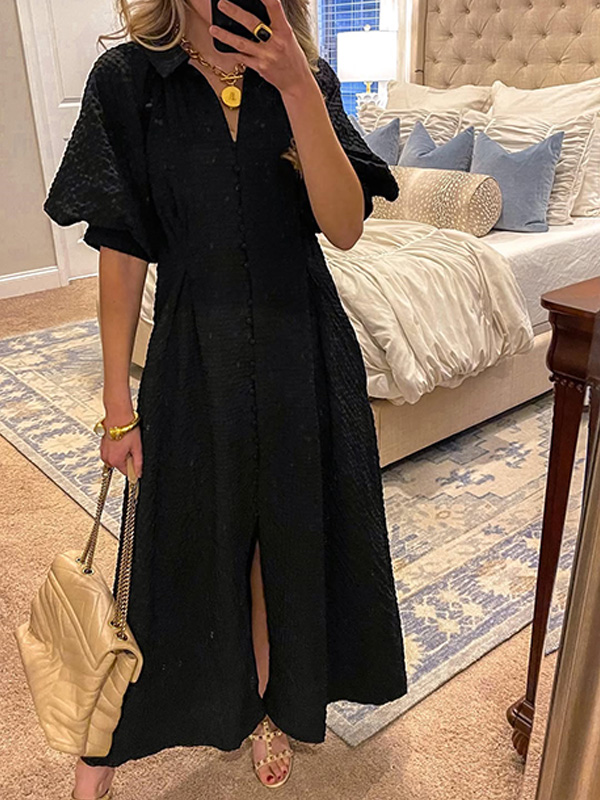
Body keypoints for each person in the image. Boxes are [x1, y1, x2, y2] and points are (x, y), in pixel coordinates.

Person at [43, 0, 408, 796]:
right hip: (191, 350)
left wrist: (299, 88)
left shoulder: (304, 76)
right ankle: (106, 742)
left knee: (284, 539)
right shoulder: (129, 80)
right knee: (181, 539)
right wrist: (115, 400)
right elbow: (121, 247)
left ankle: (269, 704)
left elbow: (344, 227)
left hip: (302, 347)